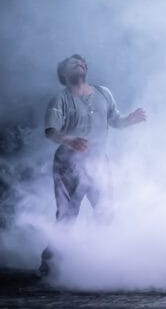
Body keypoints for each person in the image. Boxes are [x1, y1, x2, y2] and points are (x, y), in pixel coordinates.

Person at [40, 54, 146, 276]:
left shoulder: (103, 93)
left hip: (98, 162)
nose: (78, 64)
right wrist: (70, 140)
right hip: (68, 164)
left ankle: (94, 260)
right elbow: (51, 131)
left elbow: (115, 120)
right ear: (63, 74)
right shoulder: (60, 100)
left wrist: (130, 120)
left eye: (81, 62)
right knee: (67, 216)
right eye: (72, 63)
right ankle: (49, 264)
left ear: (86, 68)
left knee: (106, 211)